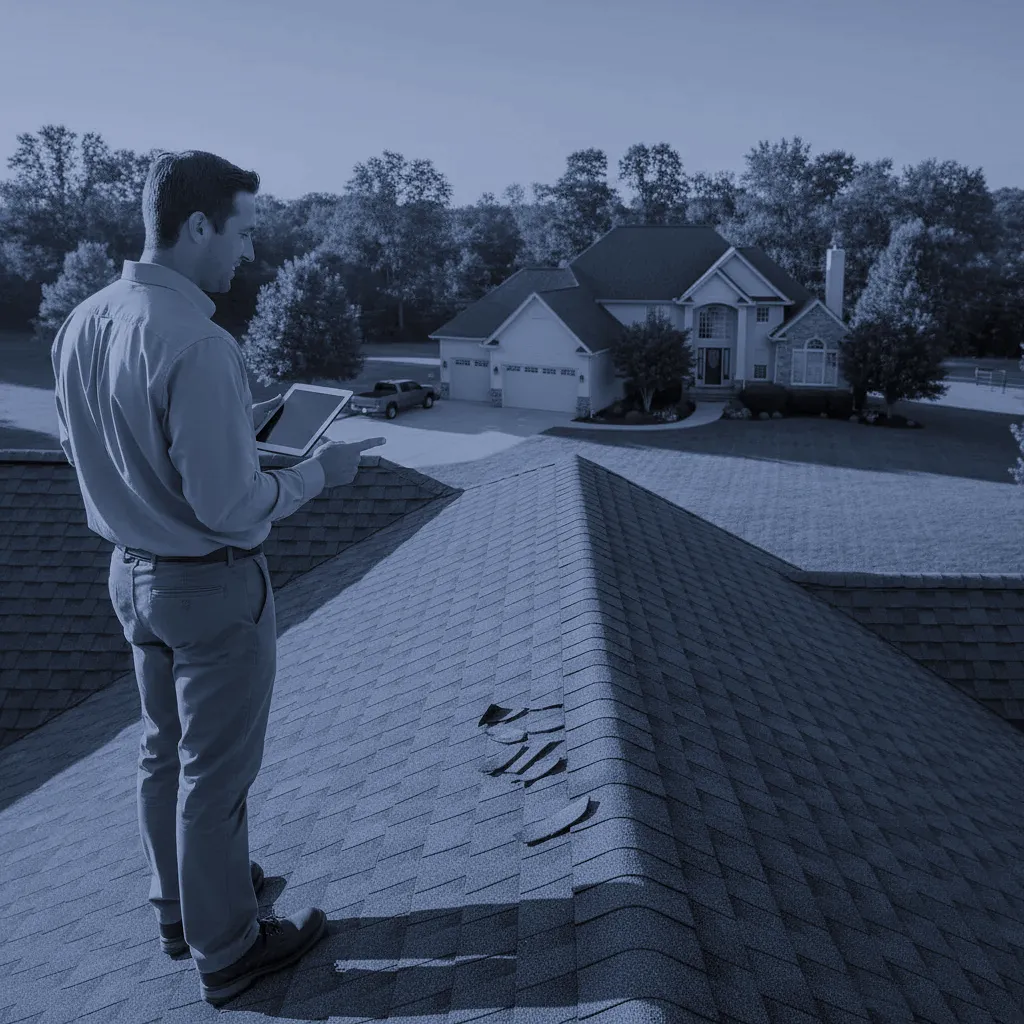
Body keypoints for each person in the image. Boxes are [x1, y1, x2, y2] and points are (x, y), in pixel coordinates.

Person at [51, 149, 375, 1007]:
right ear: (199, 226)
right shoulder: (197, 339)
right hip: (207, 587)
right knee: (216, 776)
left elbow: (95, 450)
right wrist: (316, 475)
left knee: (164, 755)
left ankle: (182, 907)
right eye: (244, 231)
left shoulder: (85, 320)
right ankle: (229, 949)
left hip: (133, 577)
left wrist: (237, 438)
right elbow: (231, 508)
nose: (250, 254)